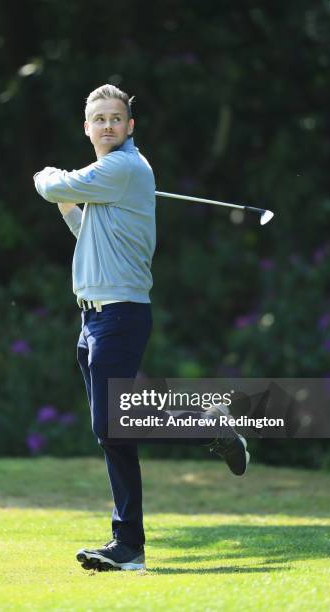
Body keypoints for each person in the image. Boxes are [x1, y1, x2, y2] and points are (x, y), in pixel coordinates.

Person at [33, 84, 249, 572]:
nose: (108, 125)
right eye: (99, 119)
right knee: (114, 434)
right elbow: (85, 229)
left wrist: (49, 179)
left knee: (111, 422)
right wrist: (68, 201)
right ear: (86, 127)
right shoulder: (110, 179)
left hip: (121, 315)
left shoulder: (124, 167)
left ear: (130, 126)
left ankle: (209, 426)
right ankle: (127, 546)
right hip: (92, 319)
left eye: (116, 118)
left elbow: (51, 185)